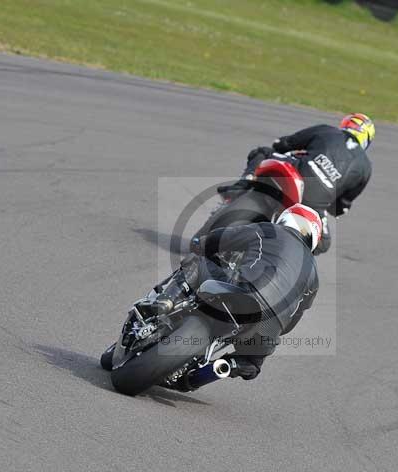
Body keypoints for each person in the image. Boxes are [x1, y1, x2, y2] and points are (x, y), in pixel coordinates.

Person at [138, 204, 321, 382]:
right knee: (251, 363)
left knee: (197, 261)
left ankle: (166, 301)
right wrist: (275, 328)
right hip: (271, 324)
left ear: (286, 218)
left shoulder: (269, 230)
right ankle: (218, 370)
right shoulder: (314, 274)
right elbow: (293, 320)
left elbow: (222, 238)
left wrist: (202, 244)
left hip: (244, 292)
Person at [230, 113, 375, 254]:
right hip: (314, 203)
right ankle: (286, 258)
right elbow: (340, 207)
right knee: (322, 243)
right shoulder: (365, 168)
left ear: (346, 124)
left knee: (262, 152)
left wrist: (285, 147)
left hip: (295, 175)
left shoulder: (327, 130)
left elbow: (283, 143)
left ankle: (239, 188)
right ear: (366, 139)